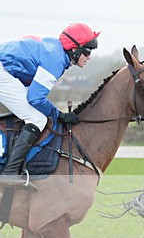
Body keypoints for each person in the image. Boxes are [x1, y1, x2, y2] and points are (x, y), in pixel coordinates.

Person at [0, 22, 100, 189]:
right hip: (4, 72)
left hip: (8, 72)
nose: (89, 56)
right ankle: (9, 173)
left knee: (34, 115)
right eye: (88, 51)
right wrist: (59, 115)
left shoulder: (56, 52)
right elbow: (36, 98)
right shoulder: (56, 59)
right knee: (37, 118)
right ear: (75, 49)